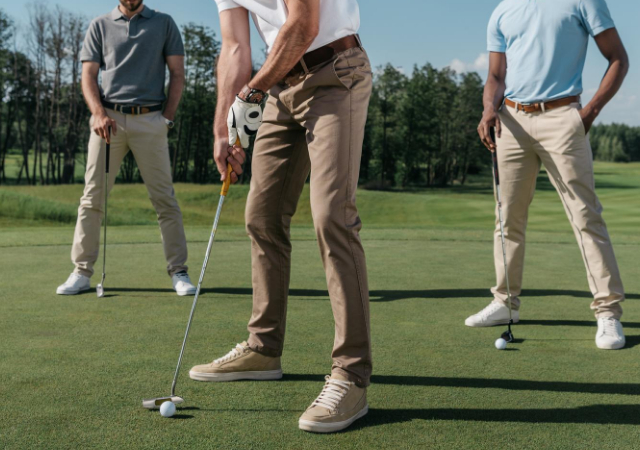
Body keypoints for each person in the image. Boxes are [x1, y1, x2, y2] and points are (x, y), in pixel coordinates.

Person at [188, 0, 372, 433]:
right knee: (262, 215)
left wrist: (250, 92)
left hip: (335, 71)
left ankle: (351, 374)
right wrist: (222, 128)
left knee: (332, 216)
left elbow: (303, 24)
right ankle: (264, 348)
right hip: (279, 88)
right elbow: (235, 48)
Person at [469, 0, 629, 349]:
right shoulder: (502, 10)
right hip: (510, 121)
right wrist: (488, 109)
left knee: (585, 216)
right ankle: (504, 303)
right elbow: (496, 76)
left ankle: (607, 312)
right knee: (506, 219)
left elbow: (618, 58)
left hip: (563, 118)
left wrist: (587, 114)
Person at [56, 0, 196, 297]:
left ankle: (179, 271)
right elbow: (89, 75)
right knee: (92, 197)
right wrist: (97, 113)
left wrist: (167, 119)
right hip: (109, 121)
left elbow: (178, 73)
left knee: (165, 199)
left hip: (151, 120)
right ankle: (81, 272)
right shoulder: (100, 25)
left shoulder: (164, 23)